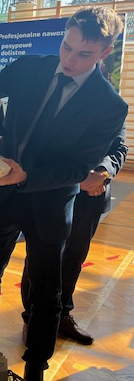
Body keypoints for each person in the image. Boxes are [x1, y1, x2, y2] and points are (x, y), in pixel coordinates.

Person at [0, 6, 128, 381]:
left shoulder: (110, 105)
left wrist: (28, 176)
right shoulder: (31, 66)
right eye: (67, 47)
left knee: (47, 295)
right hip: (1, 195)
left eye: (84, 54)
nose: (69, 59)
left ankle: (36, 368)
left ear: (105, 52)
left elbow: (79, 167)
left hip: (50, 205)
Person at [21, 125, 127, 345]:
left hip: (92, 196)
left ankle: (62, 314)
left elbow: (119, 148)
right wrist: (77, 176)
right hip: (53, 191)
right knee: (41, 256)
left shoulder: (111, 107)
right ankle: (33, 315)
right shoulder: (59, 105)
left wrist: (102, 174)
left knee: (74, 257)